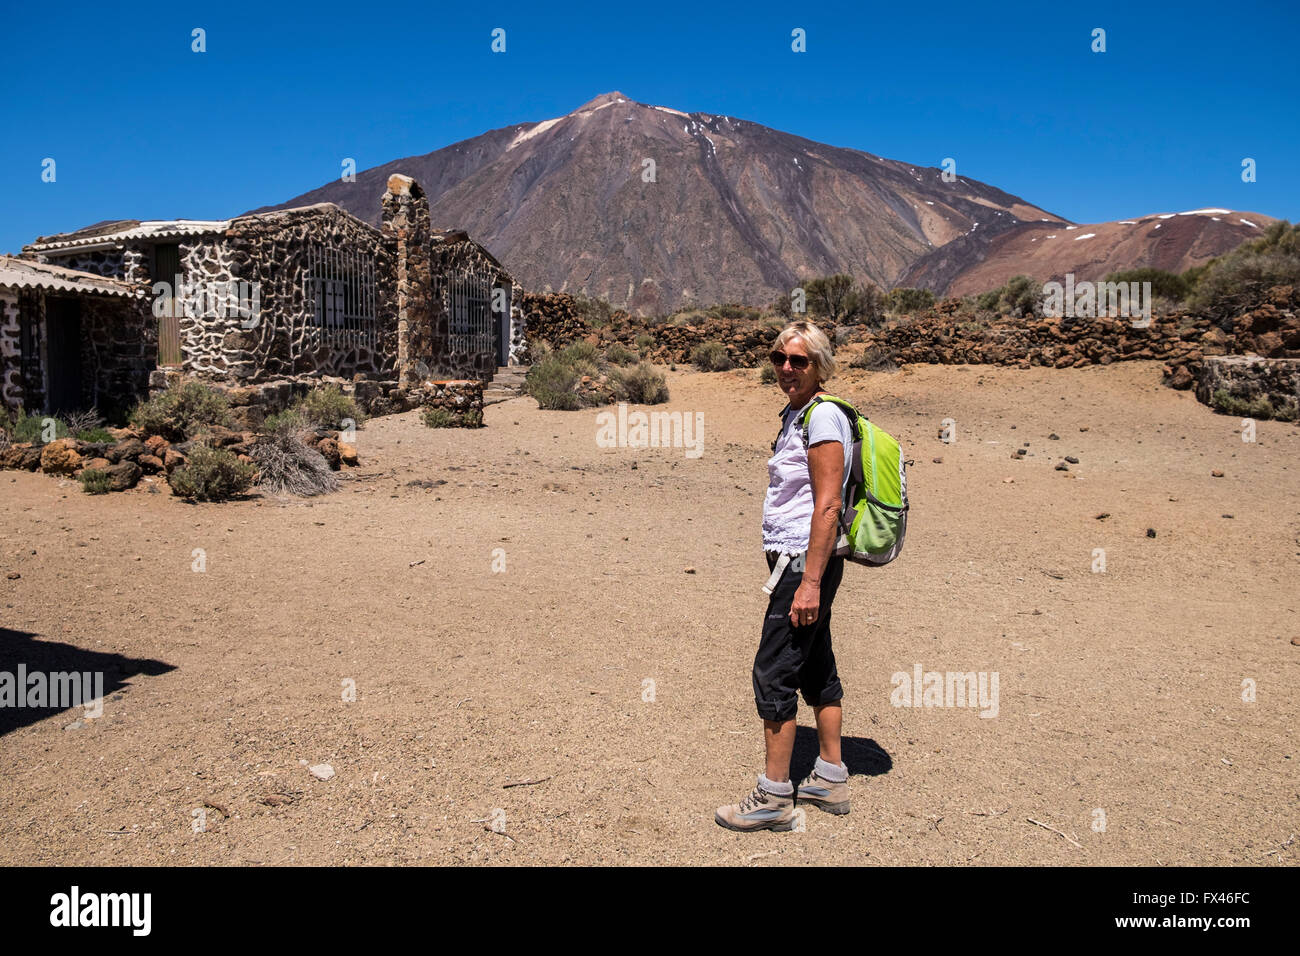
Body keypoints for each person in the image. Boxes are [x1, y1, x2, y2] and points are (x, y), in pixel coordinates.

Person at [715, 320, 854, 832]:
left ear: (820, 365)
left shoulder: (822, 418)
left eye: (799, 360)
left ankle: (773, 798)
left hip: (802, 563)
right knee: (815, 662)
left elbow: (829, 504)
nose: (787, 368)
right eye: (779, 358)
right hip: (798, 560)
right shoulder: (798, 415)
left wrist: (811, 582)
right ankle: (830, 775)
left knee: (774, 668)